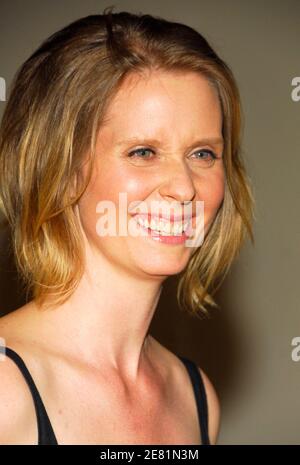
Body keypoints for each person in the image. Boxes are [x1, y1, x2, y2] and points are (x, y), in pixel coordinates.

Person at [0, 8, 254, 445]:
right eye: (142, 152)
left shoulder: (195, 397)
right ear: (60, 168)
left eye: (203, 154)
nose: (183, 188)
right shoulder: (7, 390)